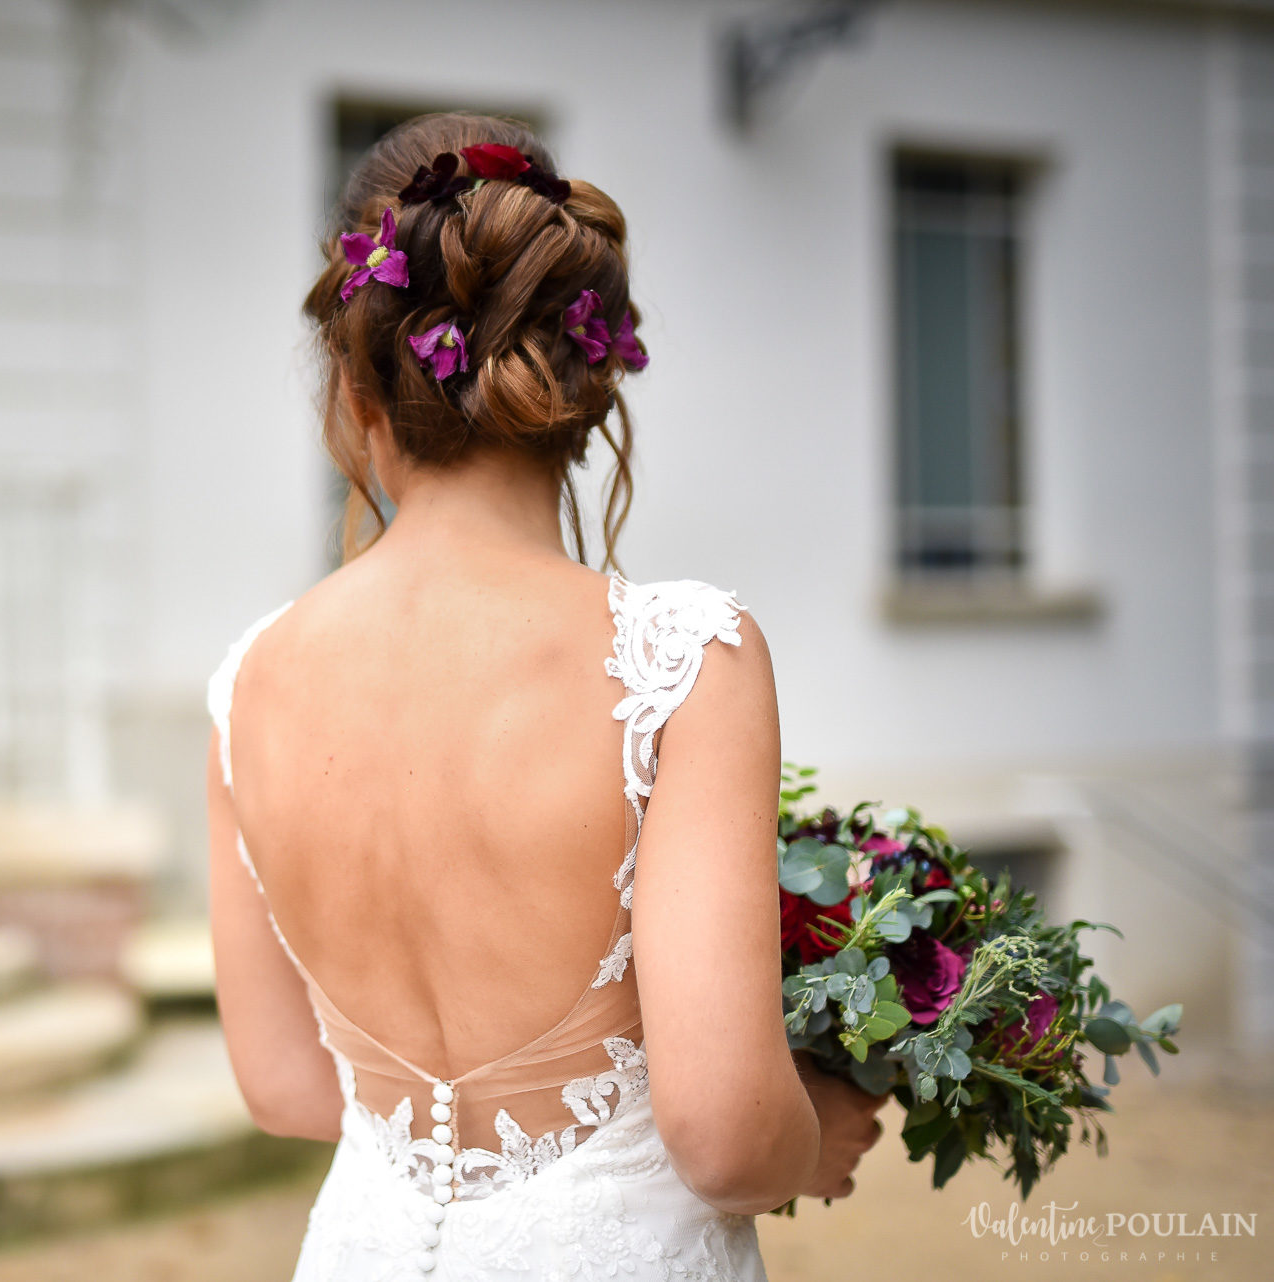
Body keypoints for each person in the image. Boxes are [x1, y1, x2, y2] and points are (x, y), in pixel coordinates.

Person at [205, 113, 884, 1281]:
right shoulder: (682, 658)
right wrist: (812, 1127)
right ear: (590, 378)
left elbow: (282, 1086)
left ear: (355, 376)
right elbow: (724, 1138)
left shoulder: (245, 680)